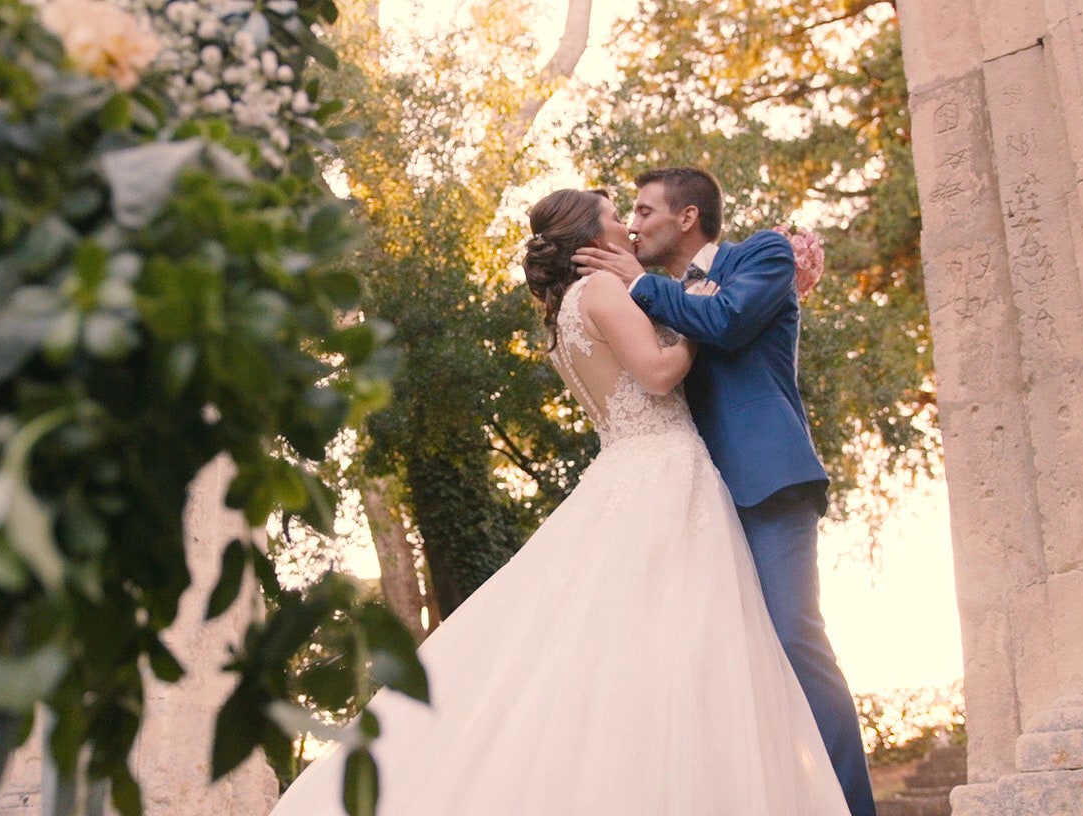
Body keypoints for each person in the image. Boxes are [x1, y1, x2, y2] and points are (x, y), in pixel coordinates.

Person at [268, 188, 850, 815]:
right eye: (615, 218)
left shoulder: (565, 315)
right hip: (664, 466)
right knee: (688, 634)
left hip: (624, 469)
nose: (629, 228)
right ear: (591, 239)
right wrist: (695, 319)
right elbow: (657, 375)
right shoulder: (602, 292)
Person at [573, 167, 876, 816]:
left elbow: (729, 321)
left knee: (794, 639)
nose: (633, 223)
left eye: (645, 210)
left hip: (767, 483)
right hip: (688, 498)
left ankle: (854, 807)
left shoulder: (760, 254)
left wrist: (642, 284)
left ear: (686, 218)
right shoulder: (647, 296)